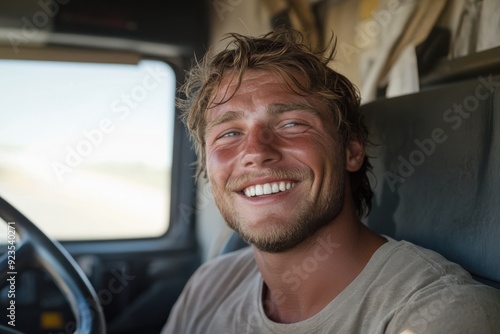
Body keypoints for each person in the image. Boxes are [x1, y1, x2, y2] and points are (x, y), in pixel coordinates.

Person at [162, 29, 500, 333]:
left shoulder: (442, 314)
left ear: (351, 151)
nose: (255, 152)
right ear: (207, 167)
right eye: (230, 133)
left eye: (292, 124)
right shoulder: (209, 286)